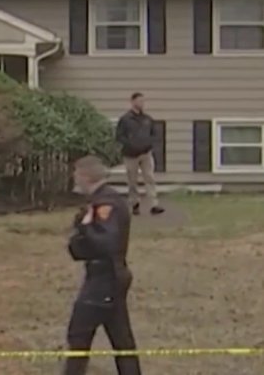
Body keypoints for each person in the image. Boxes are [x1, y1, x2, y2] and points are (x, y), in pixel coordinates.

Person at [63, 155, 141, 375]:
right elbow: (77, 250)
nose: (74, 179)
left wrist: (85, 228)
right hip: (107, 276)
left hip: (104, 278)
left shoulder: (107, 203)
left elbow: (106, 243)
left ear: (86, 176)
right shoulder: (98, 202)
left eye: (76, 174)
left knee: (79, 334)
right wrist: (81, 233)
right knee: (121, 340)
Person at [115, 92, 164, 216]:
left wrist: (149, 144)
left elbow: (154, 134)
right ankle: (134, 204)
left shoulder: (147, 119)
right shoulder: (125, 119)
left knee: (150, 178)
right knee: (132, 181)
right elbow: (119, 136)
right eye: (139, 101)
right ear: (132, 102)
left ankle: (154, 204)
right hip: (131, 155)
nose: (142, 103)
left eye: (143, 101)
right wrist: (130, 145)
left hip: (146, 154)